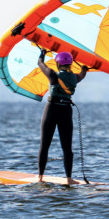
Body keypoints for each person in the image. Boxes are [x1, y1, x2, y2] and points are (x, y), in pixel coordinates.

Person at [37, 50, 88, 185]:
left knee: (45, 145)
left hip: (52, 110)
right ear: (70, 64)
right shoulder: (74, 78)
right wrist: (84, 67)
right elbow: (82, 74)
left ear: (58, 64)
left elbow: (40, 63)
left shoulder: (52, 75)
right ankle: (69, 179)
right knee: (67, 148)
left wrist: (42, 53)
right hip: (66, 111)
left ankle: (40, 178)